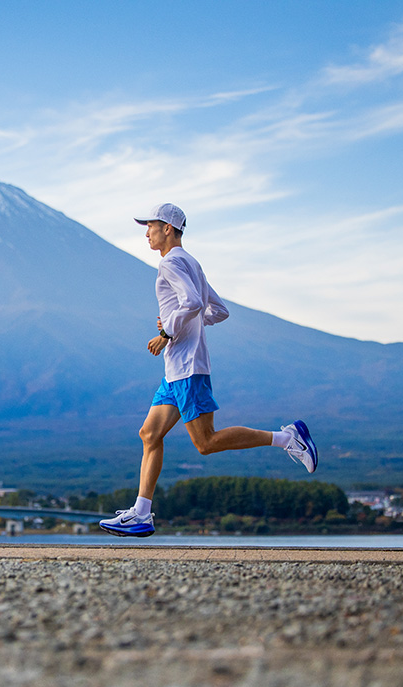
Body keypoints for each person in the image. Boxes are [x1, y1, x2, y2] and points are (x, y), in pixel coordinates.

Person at [99, 203, 317, 538]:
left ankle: (288, 438)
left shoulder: (171, 262)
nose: (146, 232)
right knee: (149, 434)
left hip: (186, 367)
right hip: (176, 370)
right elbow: (220, 310)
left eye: (151, 226)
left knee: (206, 442)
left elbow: (195, 303)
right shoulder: (192, 263)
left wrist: (167, 333)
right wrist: (187, 326)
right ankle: (141, 514)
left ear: (168, 228)